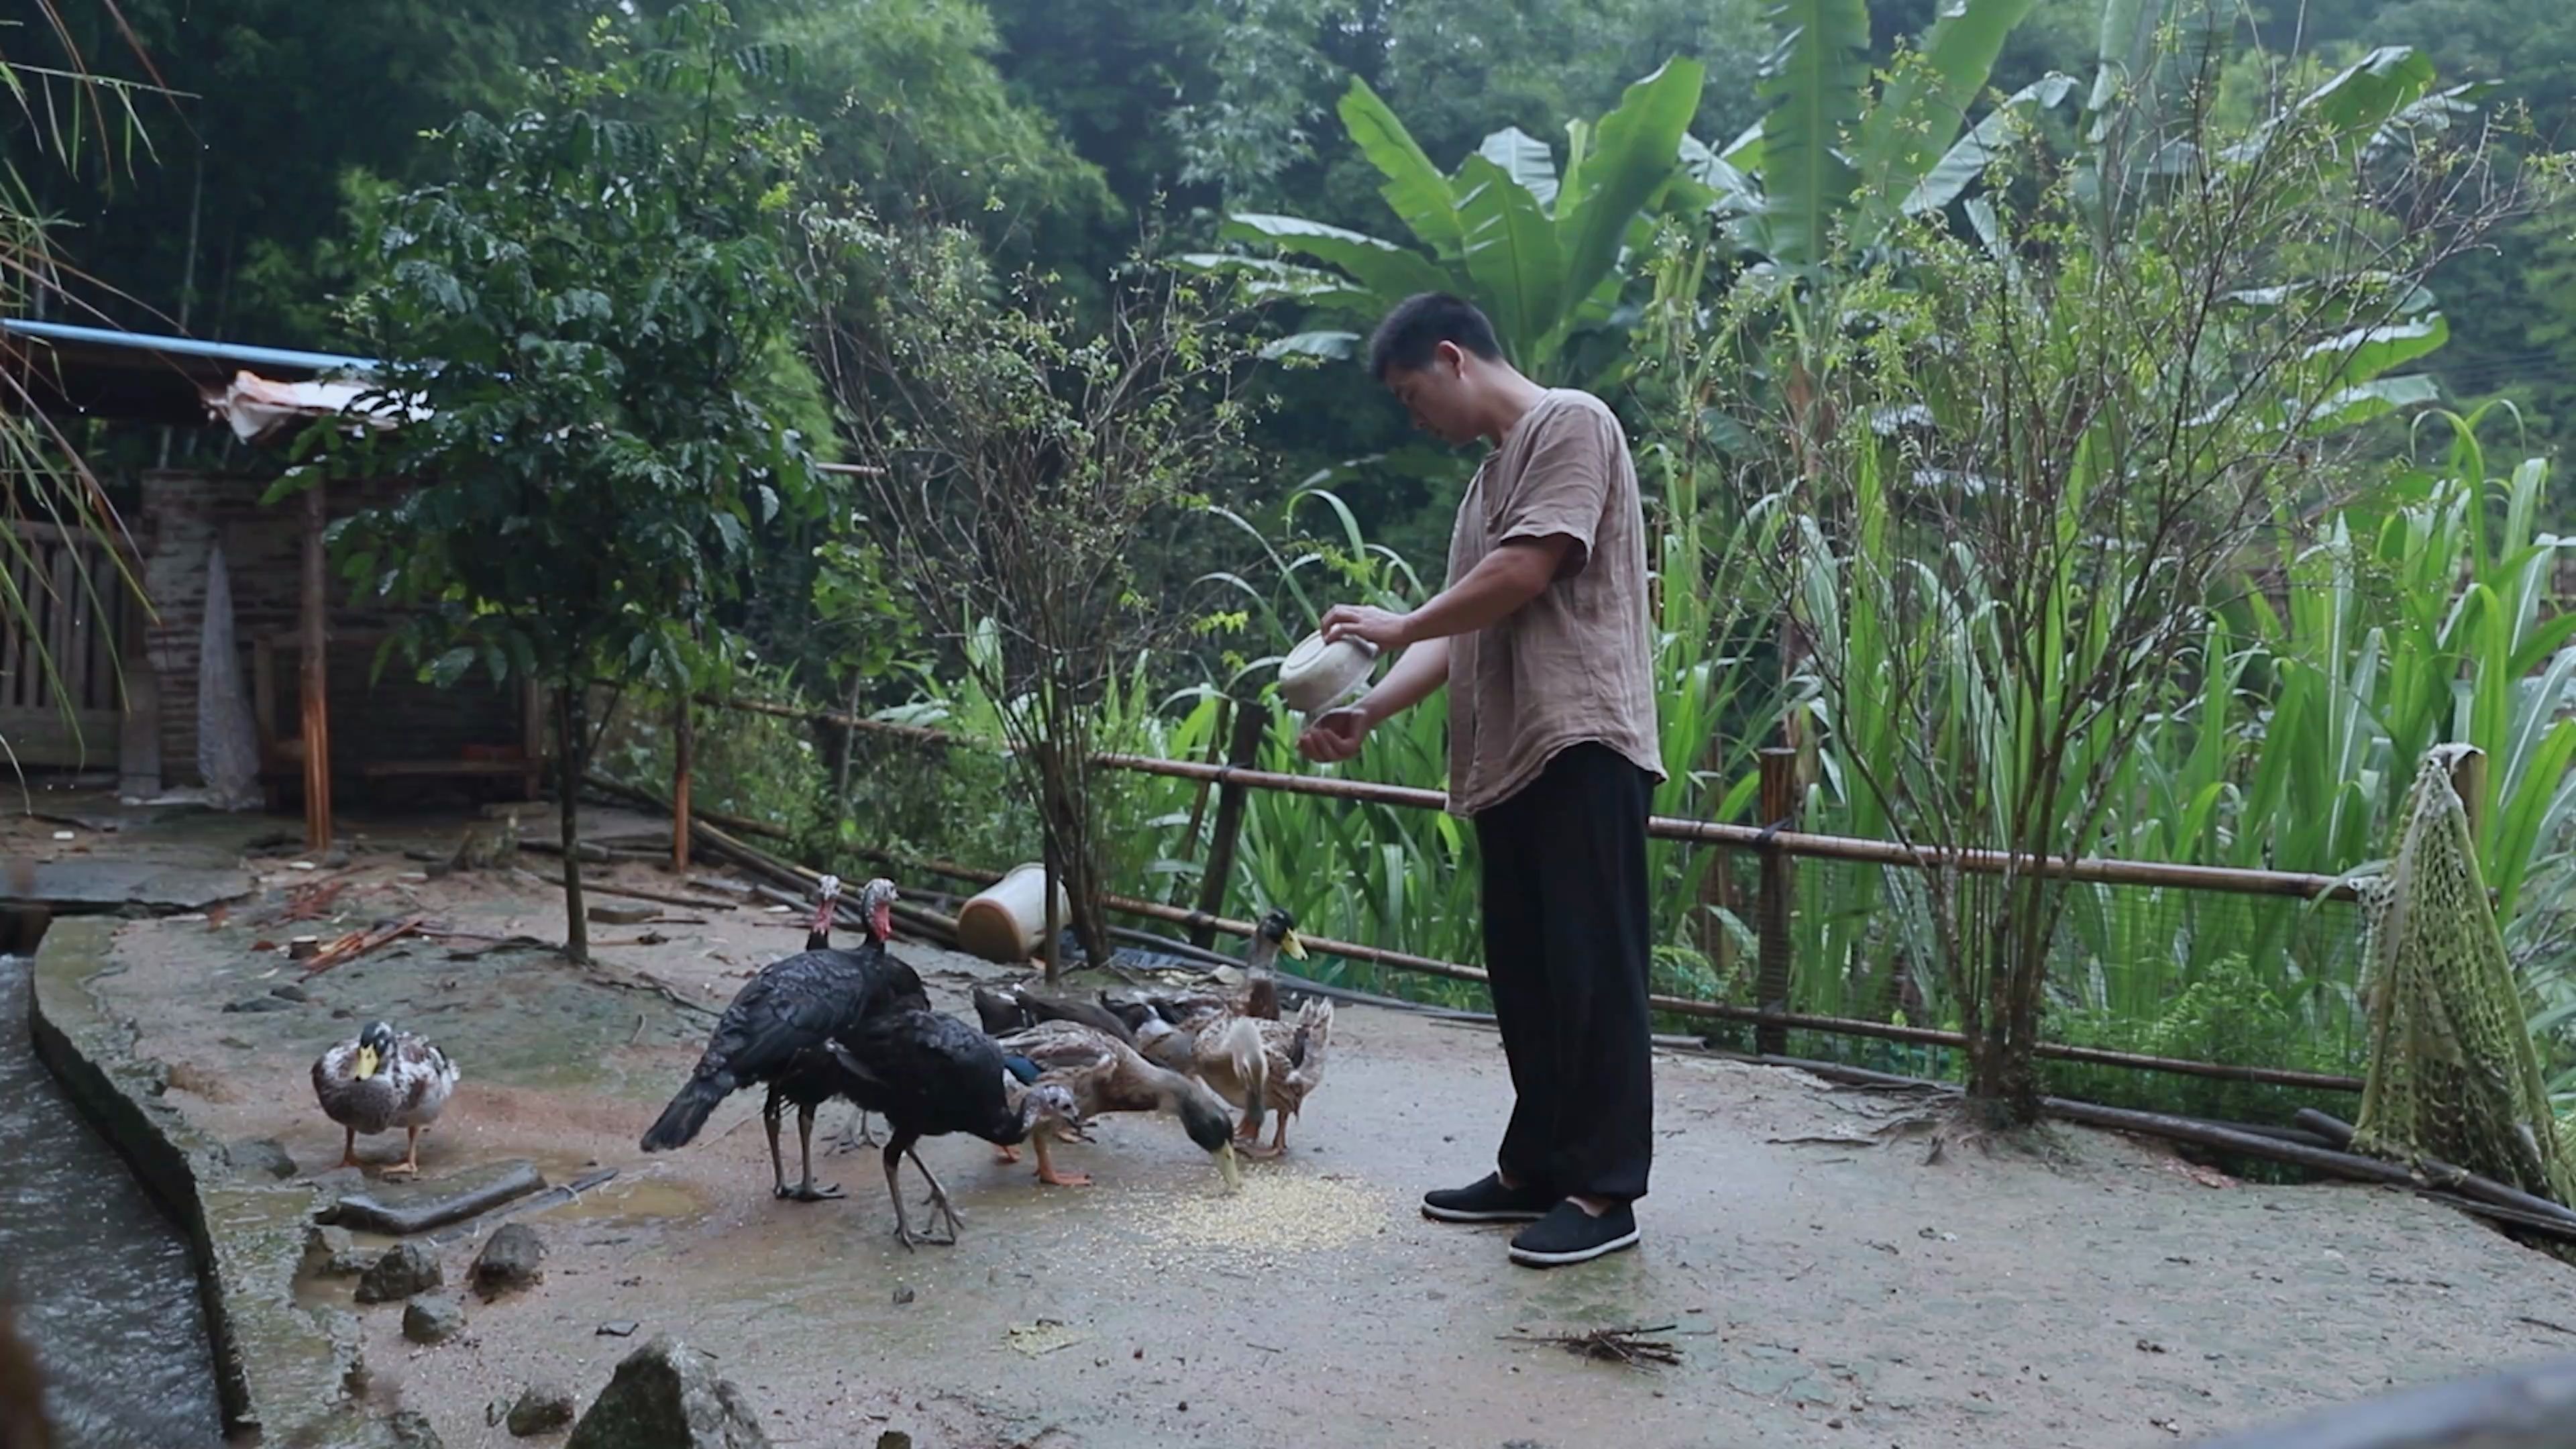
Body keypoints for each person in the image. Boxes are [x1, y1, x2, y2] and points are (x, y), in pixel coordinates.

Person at [1297, 292, 1663, 1268]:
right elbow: (1468, 627)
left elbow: (1527, 572)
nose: (1419, 418)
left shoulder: (1572, 423)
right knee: (1530, 979)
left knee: (1593, 977)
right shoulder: (1482, 489)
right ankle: (1536, 1168)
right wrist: (1364, 708)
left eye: (1416, 396)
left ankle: (1603, 1191)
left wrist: (1400, 624)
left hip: (1583, 739)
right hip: (1508, 761)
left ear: (1455, 359)